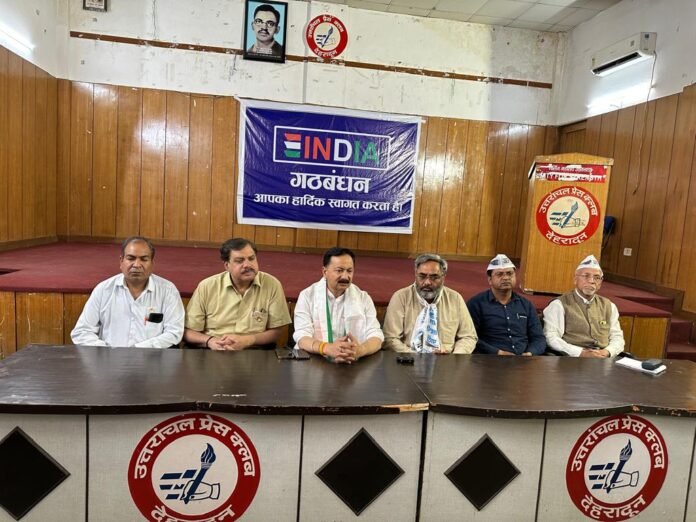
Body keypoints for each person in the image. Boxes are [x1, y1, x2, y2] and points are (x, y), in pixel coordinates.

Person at [71, 236, 184, 348]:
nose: (137, 265)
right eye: (131, 258)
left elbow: (174, 332)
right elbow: (82, 331)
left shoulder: (168, 291)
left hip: (151, 358)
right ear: (121, 261)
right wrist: (107, 351)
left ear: (152, 263)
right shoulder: (103, 290)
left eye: (144, 259)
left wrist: (138, 350)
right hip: (108, 358)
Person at [184, 238, 291, 350]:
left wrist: (248, 340)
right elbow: (188, 331)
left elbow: (278, 331)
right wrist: (209, 341)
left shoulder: (272, 284)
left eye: (251, 258)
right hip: (214, 349)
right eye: (239, 261)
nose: (247, 265)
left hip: (255, 351)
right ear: (227, 266)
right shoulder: (207, 286)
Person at [293, 247, 383, 364]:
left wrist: (361, 350)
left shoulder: (363, 298)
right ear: (324, 272)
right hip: (315, 361)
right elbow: (302, 337)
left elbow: (376, 335)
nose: (345, 276)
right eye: (339, 270)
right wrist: (326, 348)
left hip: (353, 362)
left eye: (349, 271)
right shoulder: (307, 296)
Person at [383, 253, 477, 354]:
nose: (427, 282)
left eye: (434, 277)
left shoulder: (455, 299)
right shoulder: (401, 297)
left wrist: (454, 357)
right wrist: (414, 356)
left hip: (446, 359)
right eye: (422, 276)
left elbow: (468, 337)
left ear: (443, 277)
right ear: (415, 274)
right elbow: (390, 338)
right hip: (408, 358)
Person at [543, 255, 625, 358]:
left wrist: (607, 352)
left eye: (597, 277)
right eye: (586, 276)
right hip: (573, 359)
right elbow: (551, 337)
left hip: (604, 358)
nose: (591, 281)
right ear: (575, 280)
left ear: (600, 283)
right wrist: (580, 352)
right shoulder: (559, 304)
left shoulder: (609, 306)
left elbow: (617, 337)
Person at [467, 254, 546, 356]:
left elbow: (539, 338)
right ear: (490, 280)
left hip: (524, 360)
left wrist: (530, 353)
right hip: (489, 360)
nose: (505, 278)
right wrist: (497, 352)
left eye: (509, 273)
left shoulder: (526, 305)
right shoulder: (476, 304)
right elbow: (470, 337)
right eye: (499, 274)